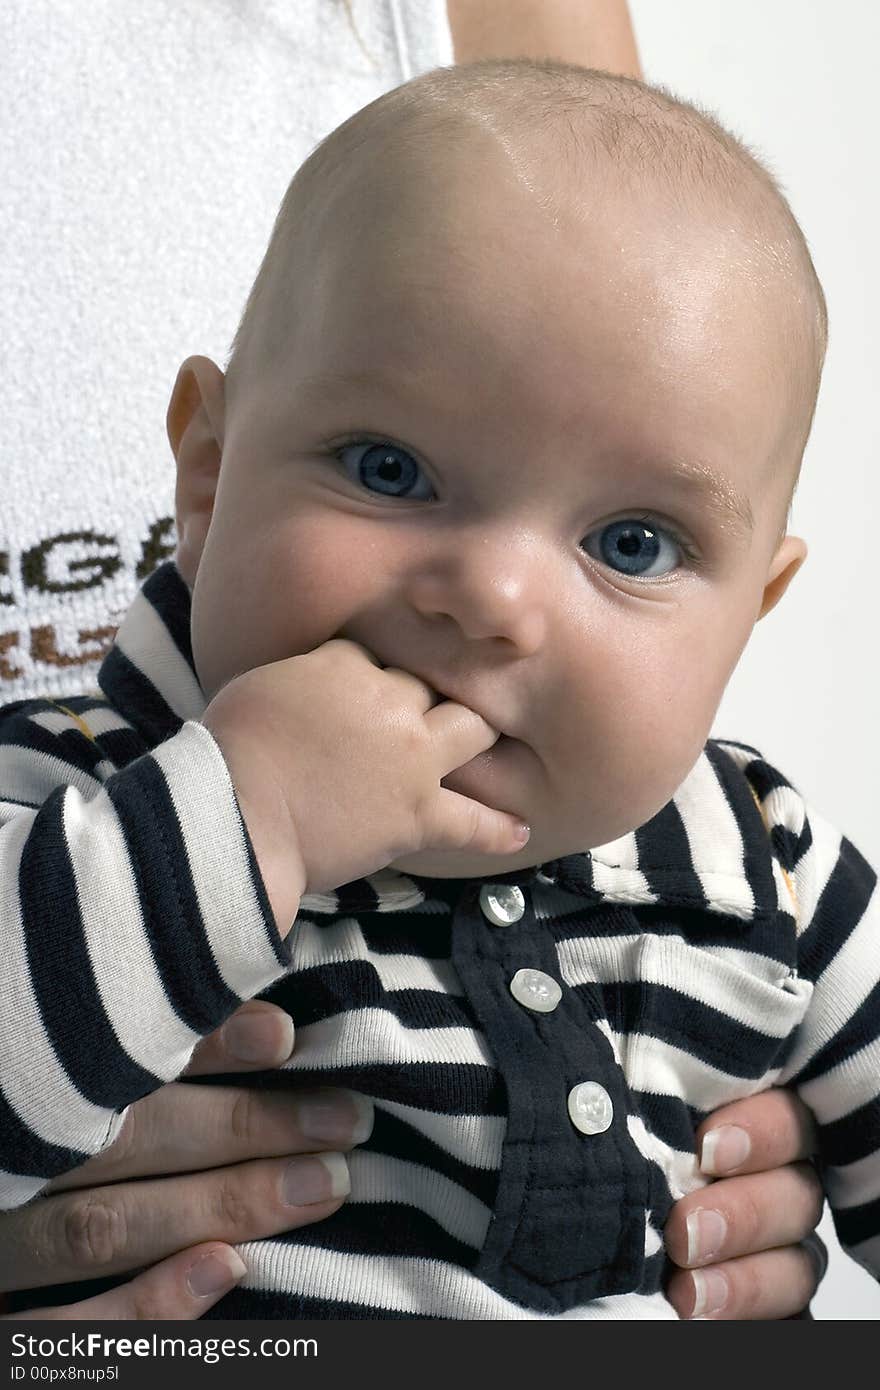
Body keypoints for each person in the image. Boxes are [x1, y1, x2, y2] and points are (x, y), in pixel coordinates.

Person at [0, 56, 869, 1320]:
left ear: (747, 615)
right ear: (208, 475)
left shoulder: (769, 866)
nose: (493, 600)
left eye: (632, 543)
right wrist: (256, 817)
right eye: (390, 467)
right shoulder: (64, 792)